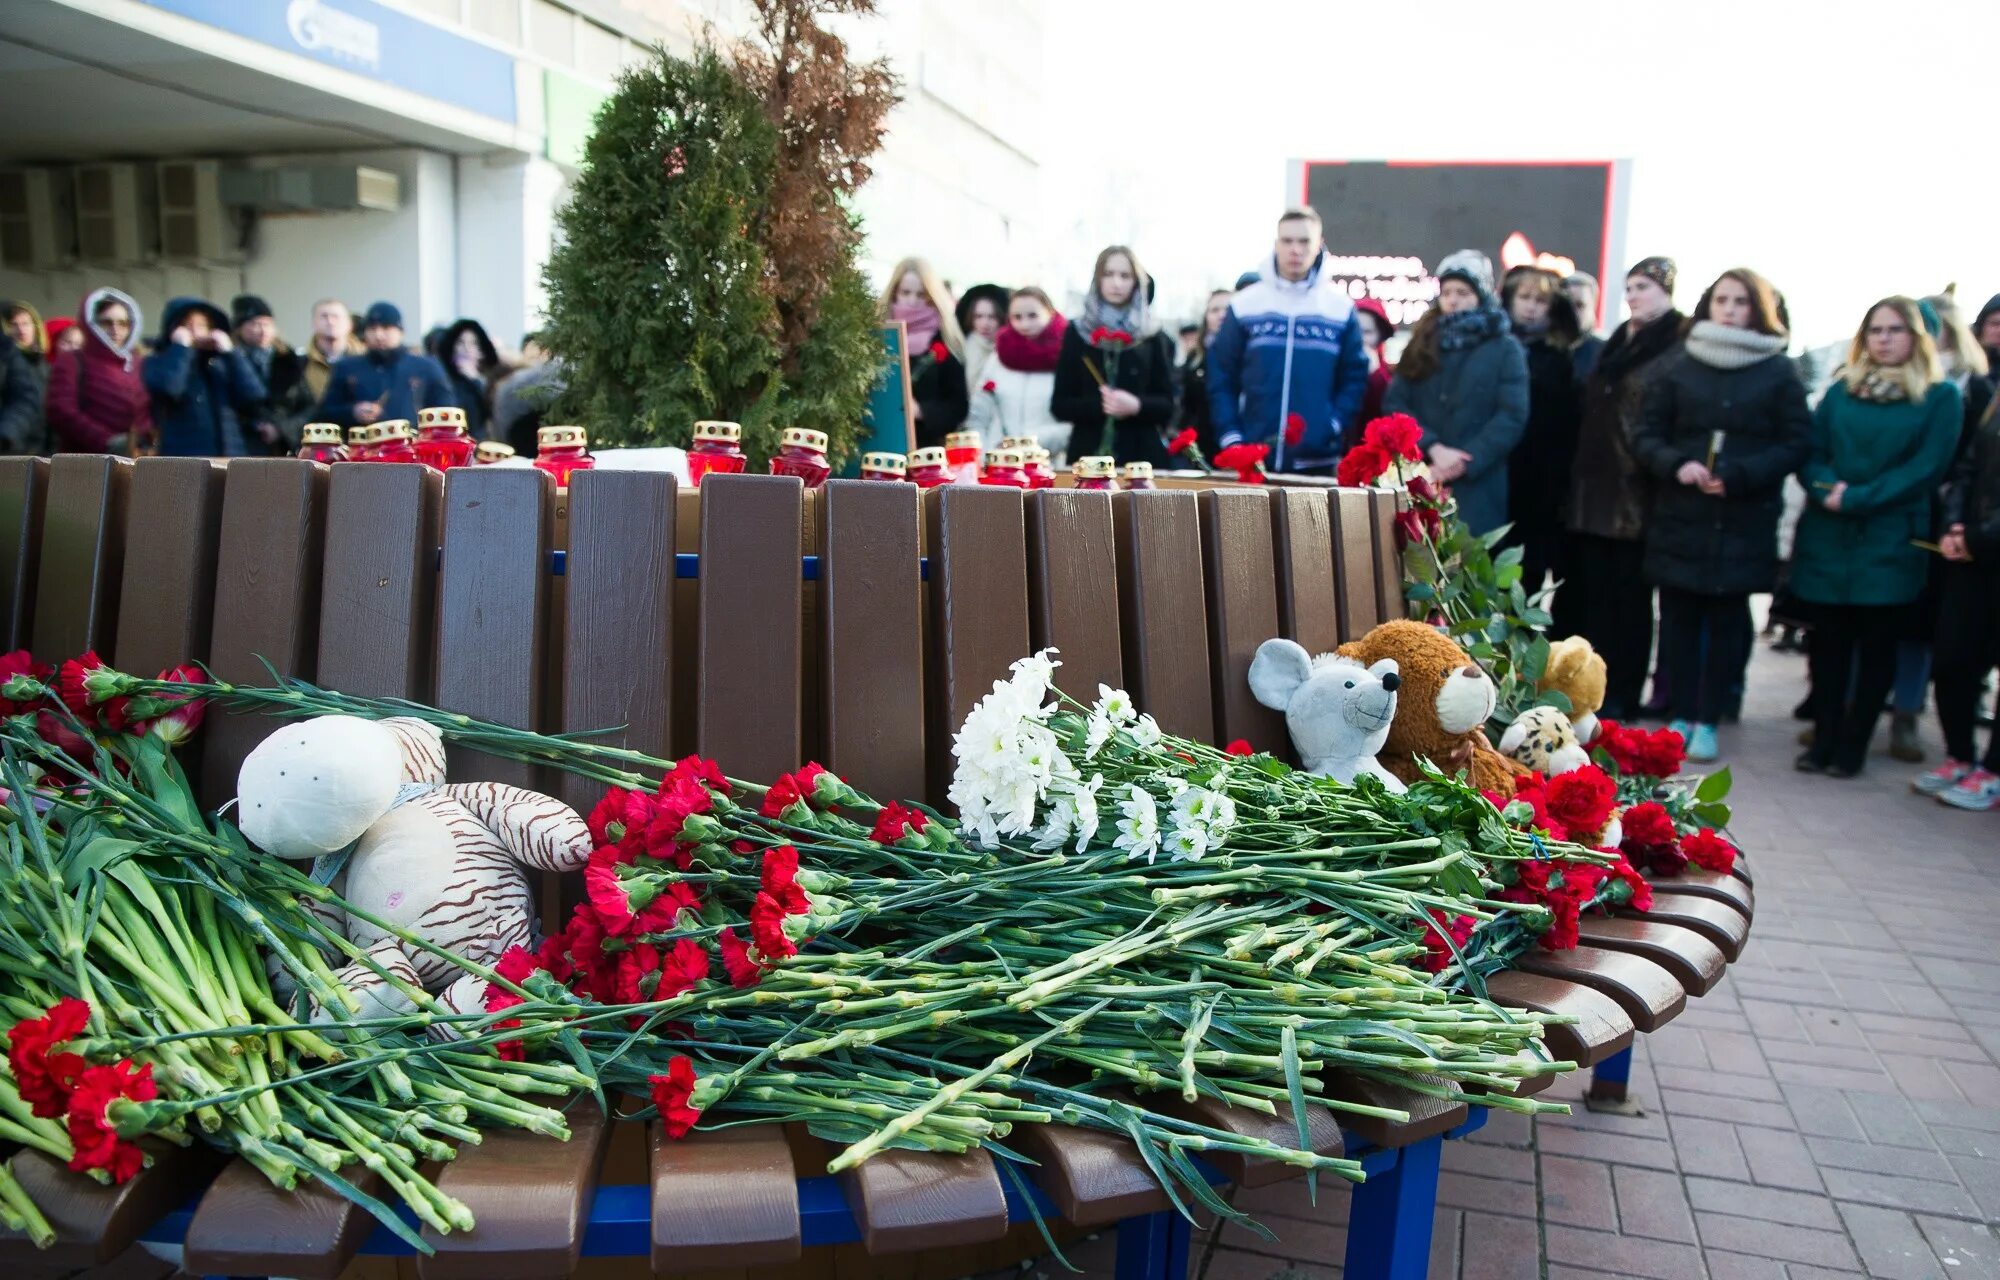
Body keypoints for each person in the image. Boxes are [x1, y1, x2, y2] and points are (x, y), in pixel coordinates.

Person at [1629, 267, 1809, 763]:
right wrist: (1677, 466)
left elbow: (1796, 441)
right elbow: (1646, 434)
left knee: (1728, 625)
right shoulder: (1679, 366)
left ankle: (1710, 716)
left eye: (1741, 301)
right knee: (1680, 621)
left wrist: (1743, 474)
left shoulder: (1778, 370)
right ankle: (1681, 716)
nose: (1730, 309)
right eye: (1722, 299)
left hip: (1742, 519)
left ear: (1759, 309)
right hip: (1681, 515)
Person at [1788, 296, 1960, 778]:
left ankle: (1851, 746)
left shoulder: (1938, 396)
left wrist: (1858, 497)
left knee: (1877, 648)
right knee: (1827, 647)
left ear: (1916, 338)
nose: (1884, 339)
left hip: (1889, 538)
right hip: (1830, 534)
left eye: (1895, 330)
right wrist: (1827, 490)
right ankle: (1821, 739)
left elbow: (1927, 467)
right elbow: (1812, 451)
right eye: (1876, 330)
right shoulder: (1842, 390)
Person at [1556, 257, 1684, 720]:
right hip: (1594, 490)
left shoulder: (1677, 342)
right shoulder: (1617, 343)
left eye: (1644, 286)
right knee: (1594, 597)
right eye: (1629, 286)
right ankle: (1590, 692)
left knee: (1629, 603)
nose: (1633, 295)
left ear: (1668, 291)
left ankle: (1624, 694)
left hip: (1640, 493)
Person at [1207, 208, 1369, 473]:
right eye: (1287, 241)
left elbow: (1354, 377)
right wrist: (1232, 437)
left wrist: (1332, 425)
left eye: (1304, 241)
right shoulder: (1245, 305)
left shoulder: (1339, 309)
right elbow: (1221, 376)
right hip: (1252, 460)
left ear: (1319, 245)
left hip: (1316, 461)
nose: (1295, 249)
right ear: (1276, 244)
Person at [1383, 249, 1528, 535]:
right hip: (1423, 475)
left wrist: (1463, 461)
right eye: (1447, 291)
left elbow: (1512, 415)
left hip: (1478, 484)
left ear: (1482, 296)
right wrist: (1433, 448)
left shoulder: (1505, 348)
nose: (1452, 299)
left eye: (1462, 292)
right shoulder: (1422, 341)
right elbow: (1396, 403)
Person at [1919, 390, 2000, 808]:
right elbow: (1967, 469)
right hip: (1971, 554)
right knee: (1953, 659)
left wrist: (1978, 537)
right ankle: (1960, 756)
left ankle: (1993, 771)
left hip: (1983, 544)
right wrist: (1954, 526)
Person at [1052, 244, 1177, 466]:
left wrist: (1136, 405)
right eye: (1108, 274)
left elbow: (1168, 404)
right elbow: (1060, 404)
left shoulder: (1152, 334)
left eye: (1125, 275)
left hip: (1142, 458)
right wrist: (1102, 405)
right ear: (1097, 279)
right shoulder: (1078, 332)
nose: (1116, 283)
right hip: (1089, 455)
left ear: (1136, 281)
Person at [1501, 268, 1585, 597]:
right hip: (1498, 474)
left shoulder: (1563, 358)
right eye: (1524, 297)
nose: (1531, 307)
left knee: (1527, 577)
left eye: (1541, 300)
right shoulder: (1493, 348)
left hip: (1542, 484)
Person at [143, 296, 268, 457]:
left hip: (229, 454)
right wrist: (181, 348)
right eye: (187, 326)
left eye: (202, 325)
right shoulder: (158, 360)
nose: (195, 332)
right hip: (184, 458)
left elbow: (254, 394)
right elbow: (170, 388)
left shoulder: (221, 362)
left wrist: (231, 353)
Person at [316, 302, 456, 427]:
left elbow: (446, 414)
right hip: (361, 452)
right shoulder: (347, 367)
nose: (378, 335)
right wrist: (353, 412)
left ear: (400, 331)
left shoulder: (427, 367)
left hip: (412, 450)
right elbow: (323, 414)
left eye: (386, 327)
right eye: (372, 328)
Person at [966, 287, 1069, 455]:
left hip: (1050, 464)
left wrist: (1029, 443)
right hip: (1000, 465)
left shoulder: (1066, 354)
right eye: (1017, 317)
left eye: (1033, 316)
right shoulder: (999, 354)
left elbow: (1074, 424)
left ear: (1050, 313)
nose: (1024, 324)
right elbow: (978, 415)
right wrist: (984, 456)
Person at [45, 289, 149, 454]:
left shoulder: (139, 363)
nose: (115, 329)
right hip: (85, 462)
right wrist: (107, 441)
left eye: (123, 323)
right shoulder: (72, 360)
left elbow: (147, 411)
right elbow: (61, 409)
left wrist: (143, 440)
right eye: (107, 322)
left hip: (134, 462)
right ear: (91, 323)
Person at [880, 258, 967, 449]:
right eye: (906, 292)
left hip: (927, 451)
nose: (912, 301)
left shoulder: (946, 340)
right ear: (894, 293)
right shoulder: (877, 336)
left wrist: (922, 411)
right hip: (879, 441)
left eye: (921, 294)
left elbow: (958, 405)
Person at [231, 294, 311, 454]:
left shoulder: (290, 361)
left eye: (267, 324)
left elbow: (309, 406)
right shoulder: (230, 361)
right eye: (253, 323)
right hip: (243, 446)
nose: (261, 330)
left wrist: (281, 428)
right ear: (239, 328)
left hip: (284, 446)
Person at [1178, 288, 1234, 459]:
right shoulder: (1195, 359)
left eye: (1227, 309)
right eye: (1215, 310)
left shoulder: (1249, 358)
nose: (1221, 315)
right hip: (1203, 450)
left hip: (1236, 446)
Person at [438, 319, 508, 440]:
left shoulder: (494, 380)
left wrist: (475, 382)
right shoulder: (444, 380)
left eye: (473, 343)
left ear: (481, 351)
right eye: (460, 342)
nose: (466, 348)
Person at [1, 301, 48, 453]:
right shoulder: (8, 358)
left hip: (35, 449)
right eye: (14, 324)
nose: (21, 330)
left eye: (26, 323)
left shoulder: (46, 367)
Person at [301, 299, 363, 409]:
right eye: (324, 316)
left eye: (336, 316)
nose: (330, 321)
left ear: (349, 324)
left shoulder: (365, 360)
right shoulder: (301, 364)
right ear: (313, 323)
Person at [955, 284, 1008, 400]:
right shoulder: (961, 349)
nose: (985, 324)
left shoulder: (1008, 351)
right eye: (978, 316)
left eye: (992, 317)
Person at [1564, 272, 1606, 379]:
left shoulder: (1607, 352)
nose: (1572, 312)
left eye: (1580, 305)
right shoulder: (1541, 350)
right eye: (1566, 305)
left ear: (1593, 307)